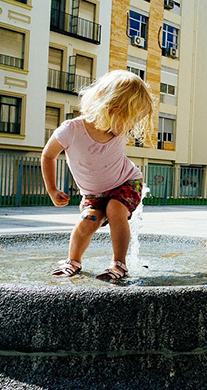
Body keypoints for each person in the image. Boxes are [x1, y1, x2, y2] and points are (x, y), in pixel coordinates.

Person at [41, 70, 154, 280]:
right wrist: (52, 189)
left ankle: (119, 264)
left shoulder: (116, 131)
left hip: (127, 182)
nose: (131, 127)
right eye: (130, 120)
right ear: (113, 110)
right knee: (88, 220)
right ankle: (73, 261)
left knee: (115, 208)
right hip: (94, 193)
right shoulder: (71, 130)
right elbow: (48, 155)